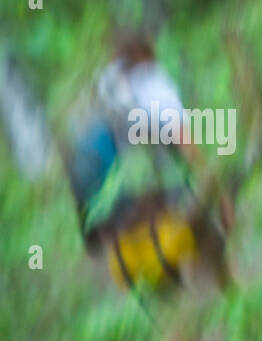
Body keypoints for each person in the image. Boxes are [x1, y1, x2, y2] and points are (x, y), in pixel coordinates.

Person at [66, 27, 233, 296]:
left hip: (113, 212)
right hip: (154, 195)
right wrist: (220, 195)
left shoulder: (104, 85)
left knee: (160, 279)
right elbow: (185, 143)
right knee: (210, 236)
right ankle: (230, 299)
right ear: (147, 51)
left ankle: (181, 321)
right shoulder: (153, 84)